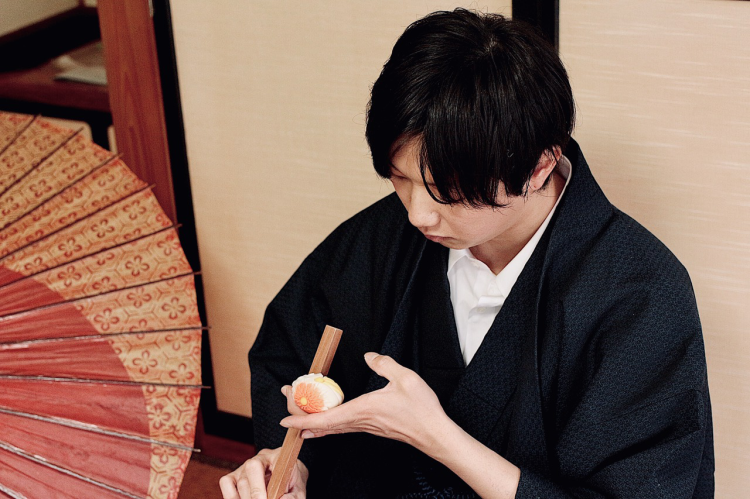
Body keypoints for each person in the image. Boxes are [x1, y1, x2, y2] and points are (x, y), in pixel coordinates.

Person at [220, 9, 714, 499]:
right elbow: (290, 353)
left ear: (540, 166)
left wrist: (438, 437)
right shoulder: (382, 236)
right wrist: (292, 463)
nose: (418, 214)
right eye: (400, 178)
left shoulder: (640, 295)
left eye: (447, 192)